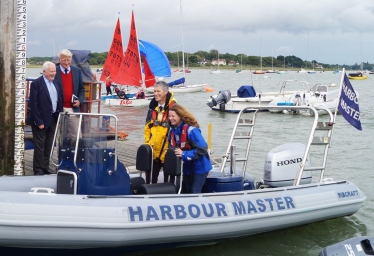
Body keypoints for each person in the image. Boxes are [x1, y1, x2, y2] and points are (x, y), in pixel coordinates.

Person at [26, 62, 63, 175]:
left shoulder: (56, 83)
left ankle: (45, 167)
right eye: (51, 71)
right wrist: (38, 121)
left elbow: (59, 101)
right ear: (44, 71)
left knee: (49, 145)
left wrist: (59, 118)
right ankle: (38, 169)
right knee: (40, 145)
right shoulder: (36, 84)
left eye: (55, 71)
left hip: (53, 118)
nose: (53, 73)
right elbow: (33, 104)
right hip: (40, 119)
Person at [167, 104, 212, 194]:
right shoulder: (172, 131)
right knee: (187, 190)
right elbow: (171, 145)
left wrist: (184, 154)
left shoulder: (191, 130)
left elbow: (202, 149)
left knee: (194, 191)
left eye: (173, 116)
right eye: (169, 116)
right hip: (187, 167)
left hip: (200, 167)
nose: (170, 118)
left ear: (180, 116)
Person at [144, 81, 177, 184]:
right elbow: (147, 128)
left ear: (166, 92)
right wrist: (148, 144)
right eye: (154, 91)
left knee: (169, 181)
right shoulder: (152, 108)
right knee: (150, 180)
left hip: (167, 151)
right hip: (154, 150)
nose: (155, 93)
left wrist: (171, 148)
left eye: (158, 91)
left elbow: (177, 130)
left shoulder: (174, 107)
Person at [54, 49, 85, 138]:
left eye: (68, 60)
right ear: (59, 60)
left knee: (76, 135)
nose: (66, 62)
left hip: (73, 109)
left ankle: (76, 152)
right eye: (64, 60)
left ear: (71, 60)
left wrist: (80, 101)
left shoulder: (77, 71)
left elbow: (81, 89)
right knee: (60, 136)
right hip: (59, 109)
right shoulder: (54, 72)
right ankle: (61, 152)